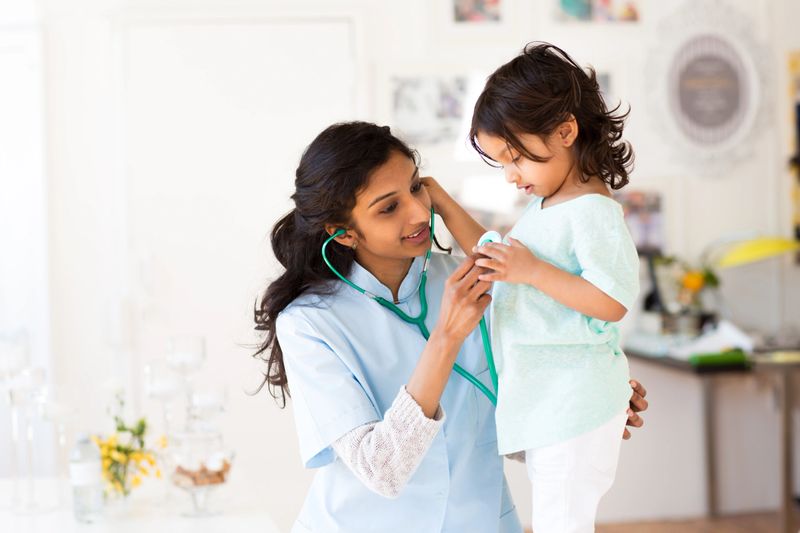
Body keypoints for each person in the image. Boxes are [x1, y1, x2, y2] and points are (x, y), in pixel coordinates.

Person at [253, 121, 648, 532]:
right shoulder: (308, 324)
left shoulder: (479, 279)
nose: (418, 212)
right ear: (344, 234)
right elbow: (382, 470)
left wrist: (587, 403)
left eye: (416, 187)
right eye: (388, 208)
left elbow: (516, 414)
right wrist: (447, 337)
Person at [423, 42, 639, 533]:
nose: (510, 175)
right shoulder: (549, 207)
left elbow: (612, 301)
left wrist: (534, 272)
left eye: (515, 157)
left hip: (573, 404)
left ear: (565, 131)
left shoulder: (592, 211)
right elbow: (495, 256)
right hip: (553, 404)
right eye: (500, 161)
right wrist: (443, 203)